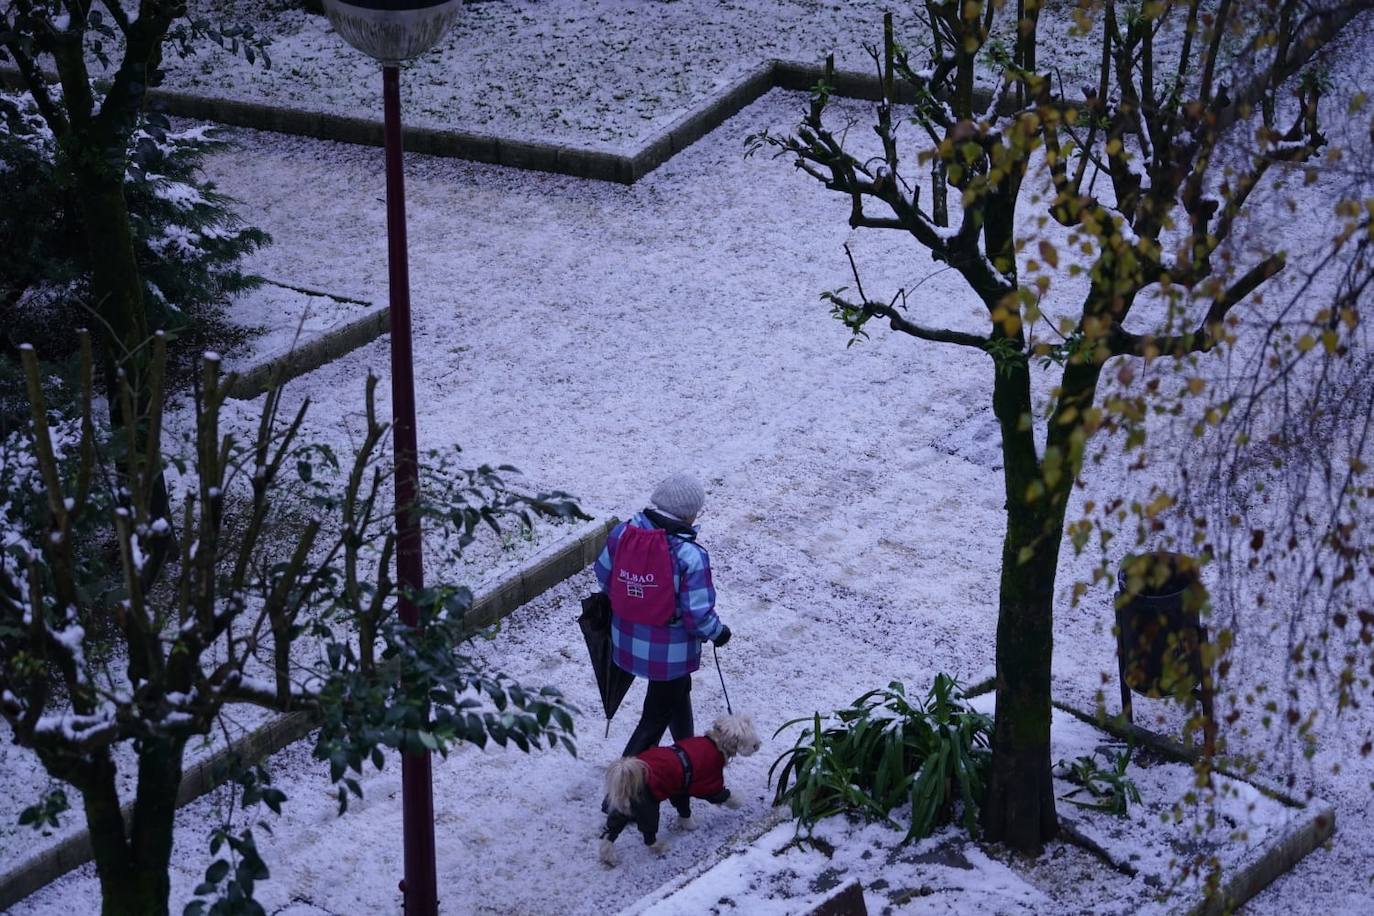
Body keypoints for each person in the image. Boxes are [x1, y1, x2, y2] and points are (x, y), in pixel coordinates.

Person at [594, 471, 732, 759]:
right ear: (687, 516)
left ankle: (689, 754)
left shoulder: (622, 533)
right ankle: (619, 797)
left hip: (627, 641)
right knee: (653, 719)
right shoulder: (689, 555)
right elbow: (697, 616)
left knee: (676, 694)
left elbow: (604, 576)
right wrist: (719, 633)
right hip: (670, 654)